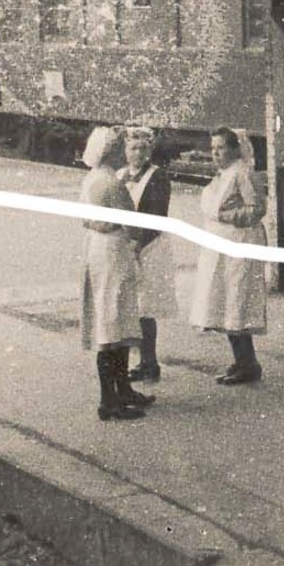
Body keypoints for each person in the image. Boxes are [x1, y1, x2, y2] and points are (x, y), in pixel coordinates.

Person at [78, 126, 153, 421]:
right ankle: (110, 400)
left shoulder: (90, 179)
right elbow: (132, 222)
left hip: (97, 250)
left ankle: (121, 391)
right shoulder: (112, 183)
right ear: (111, 151)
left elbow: (85, 218)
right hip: (115, 252)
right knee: (116, 324)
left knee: (110, 320)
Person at [189, 128, 268, 385]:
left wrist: (224, 216)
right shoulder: (223, 174)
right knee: (224, 300)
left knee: (237, 299)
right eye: (213, 148)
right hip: (222, 246)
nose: (215, 153)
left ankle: (249, 363)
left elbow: (256, 210)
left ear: (235, 149)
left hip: (240, 244)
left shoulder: (243, 173)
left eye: (221, 148)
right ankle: (241, 359)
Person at [120, 126, 175, 383]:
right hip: (126, 245)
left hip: (148, 247)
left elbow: (156, 218)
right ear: (125, 150)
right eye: (133, 148)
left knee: (145, 306)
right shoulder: (120, 176)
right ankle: (139, 361)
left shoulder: (158, 177)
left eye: (143, 148)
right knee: (129, 305)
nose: (138, 153)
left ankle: (149, 362)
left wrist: (137, 243)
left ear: (150, 150)